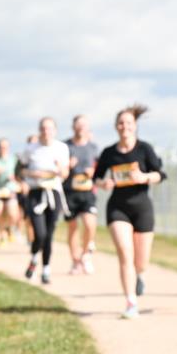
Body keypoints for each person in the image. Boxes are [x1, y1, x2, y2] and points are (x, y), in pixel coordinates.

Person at [92, 105, 165, 318]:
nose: (125, 127)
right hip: (117, 208)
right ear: (116, 127)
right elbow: (96, 177)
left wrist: (145, 177)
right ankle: (131, 302)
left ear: (135, 126)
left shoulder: (144, 149)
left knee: (141, 262)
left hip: (142, 207)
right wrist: (103, 183)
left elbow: (160, 174)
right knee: (125, 253)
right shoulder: (108, 153)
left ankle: (139, 275)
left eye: (129, 123)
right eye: (121, 123)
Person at [19, 118, 70, 284]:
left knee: (49, 234)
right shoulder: (30, 149)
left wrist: (60, 169)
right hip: (36, 193)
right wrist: (31, 174)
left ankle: (46, 269)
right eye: (43, 128)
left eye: (49, 129)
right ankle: (34, 258)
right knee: (39, 233)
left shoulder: (62, 148)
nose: (46, 132)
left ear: (54, 131)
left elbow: (65, 173)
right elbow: (21, 169)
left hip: (54, 193)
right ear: (39, 130)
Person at [64, 115, 100, 275]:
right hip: (69, 191)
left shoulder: (93, 147)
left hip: (87, 191)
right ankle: (75, 261)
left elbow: (99, 168)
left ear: (87, 128)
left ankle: (85, 254)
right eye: (78, 125)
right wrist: (67, 165)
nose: (80, 128)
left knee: (90, 224)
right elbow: (59, 169)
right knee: (72, 227)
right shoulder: (65, 146)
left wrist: (93, 171)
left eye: (83, 126)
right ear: (73, 127)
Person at [0, 138, 21, 245]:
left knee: (12, 214)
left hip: (10, 190)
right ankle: (2, 235)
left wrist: (15, 178)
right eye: (1, 147)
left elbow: (19, 174)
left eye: (5, 147)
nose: (3, 149)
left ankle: (8, 227)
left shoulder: (14, 159)